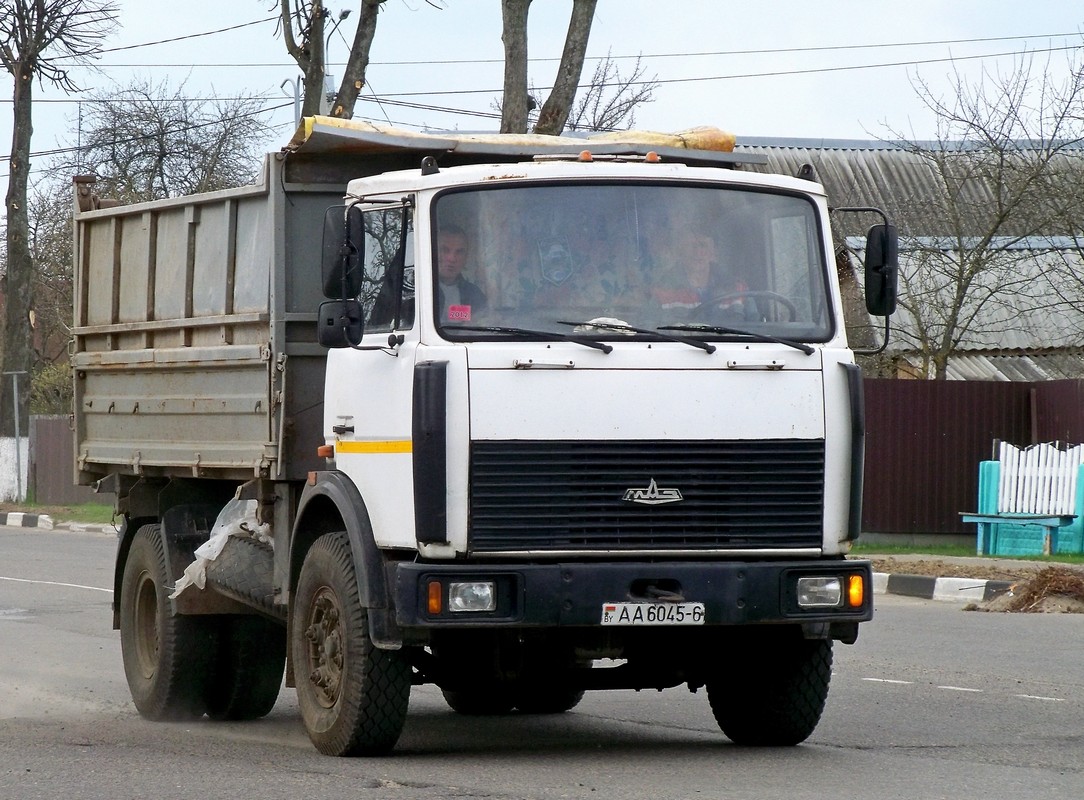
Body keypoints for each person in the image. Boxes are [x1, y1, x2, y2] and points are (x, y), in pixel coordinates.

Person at [435, 224, 487, 324]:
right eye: (445, 250)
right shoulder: (416, 292)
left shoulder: (474, 295)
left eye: (459, 252)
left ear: (466, 257)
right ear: (432, 251)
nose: (452, 258)